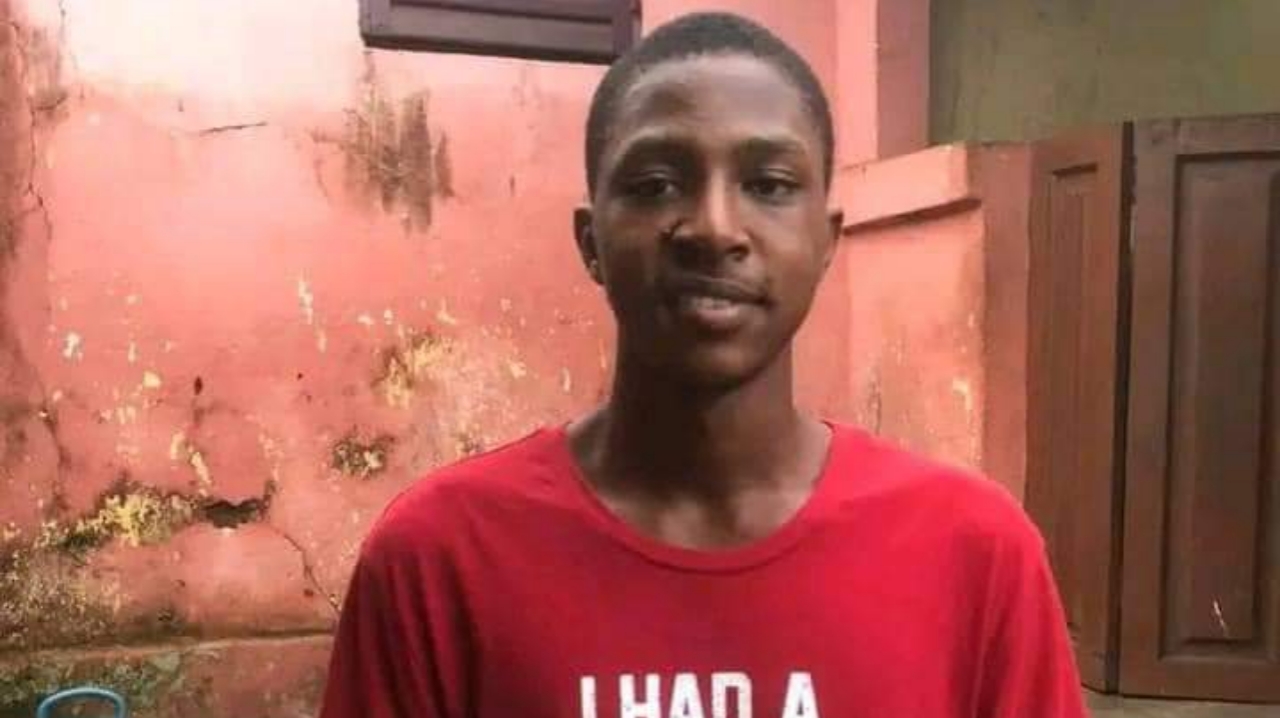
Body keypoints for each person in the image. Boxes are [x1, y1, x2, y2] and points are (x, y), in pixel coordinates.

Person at [319, 12, 1087, 718]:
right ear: (591, 241)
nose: (715, 229)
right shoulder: (440, 561)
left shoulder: (974, 554)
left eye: (769, 185)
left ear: (826, 241)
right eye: (656, 185)